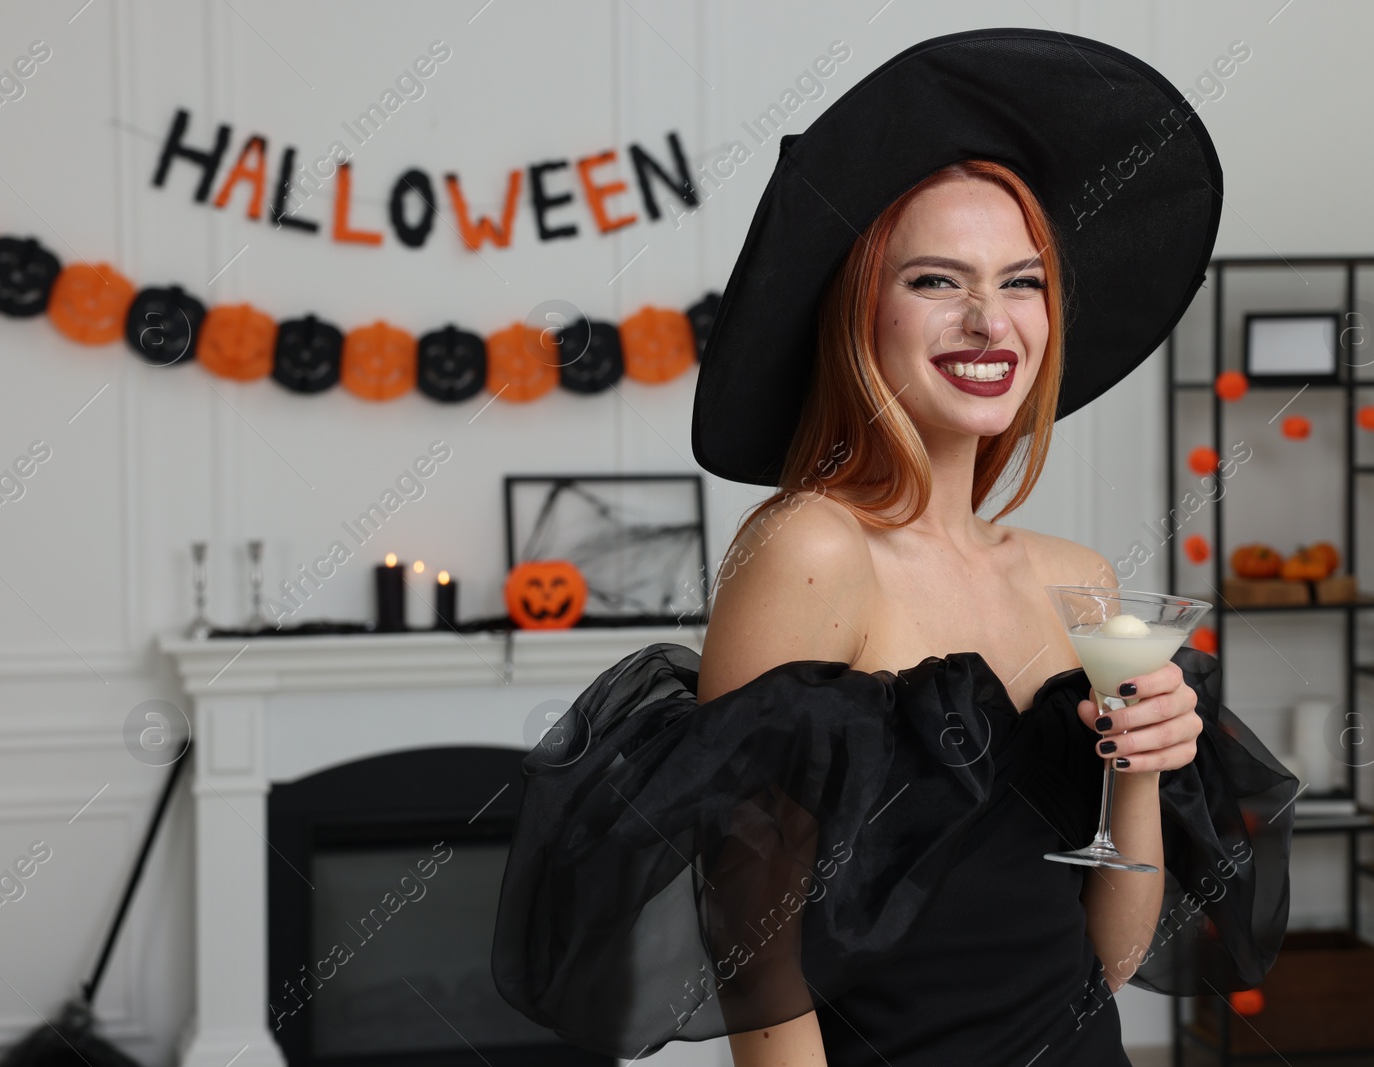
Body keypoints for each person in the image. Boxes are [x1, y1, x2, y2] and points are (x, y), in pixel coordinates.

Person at [493, 27, 1296, 1067]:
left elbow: (1105, 960)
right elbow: (755, 959)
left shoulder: (1077, 579)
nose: (987, 320)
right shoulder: (809, 548)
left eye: (1021, 282)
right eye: (934, 281)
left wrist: (1142, 771)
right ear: (859, 311)